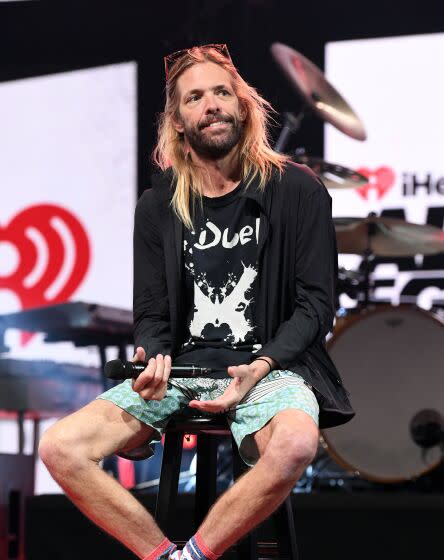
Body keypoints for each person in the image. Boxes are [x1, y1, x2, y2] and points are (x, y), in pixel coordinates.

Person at [39, 44, 354, 560]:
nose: (211, 104)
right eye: (194, 97)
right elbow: (152, 312)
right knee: (60, 448)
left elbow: (317, 305)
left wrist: (260, 366)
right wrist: (153, 356)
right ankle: (163, 554)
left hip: (268, 370)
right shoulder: (157, 205)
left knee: (296, 443)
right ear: (178, 121)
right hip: (182, 373)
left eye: (221, 92)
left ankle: (192, 556)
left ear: (243, 105)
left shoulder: (298, 191)